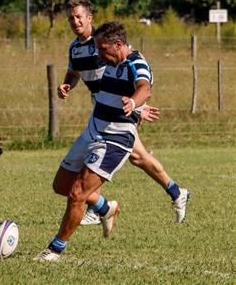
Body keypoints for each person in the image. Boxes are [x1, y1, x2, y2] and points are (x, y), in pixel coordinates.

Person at [54, 0, 190, 227]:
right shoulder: (74, 49)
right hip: (103, 110)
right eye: (71, 18)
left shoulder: (104, 41)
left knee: (114, 155)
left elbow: (132, 69)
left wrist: (138, 106)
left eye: (79, 16)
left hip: (120, 111)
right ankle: (176, 192)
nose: (75, 21)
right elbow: (74, 73)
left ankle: (100, 207)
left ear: (90, 18)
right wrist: (67, 84)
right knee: (138, 157)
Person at [34, 21, 157, 262]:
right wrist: (68, 82)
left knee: (78, 193)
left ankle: (55, 249)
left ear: (118, 44)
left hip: (115, 140)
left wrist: (134, 103)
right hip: (92, 131)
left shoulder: (136, 64)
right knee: (61, 186)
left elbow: (144, 88)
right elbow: (90, 80)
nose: (98, 54)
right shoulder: (110, 61)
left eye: (102, 49)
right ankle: (105, 208)